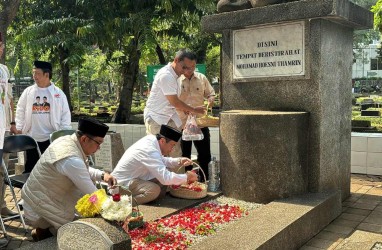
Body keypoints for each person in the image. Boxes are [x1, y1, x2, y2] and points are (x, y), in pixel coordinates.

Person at [21, 117, 118, 242]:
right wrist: (116, 210)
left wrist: (102, 175)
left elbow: (80, 170)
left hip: (40, 198)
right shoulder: (71, 159)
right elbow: (93, 195)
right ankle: (44, 230)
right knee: (84, 234)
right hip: (39, 208)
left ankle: (44, 232)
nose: (98, 148)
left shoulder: (67, 141)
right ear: (84, 139)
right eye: (98, 143)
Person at [111, 125, 198, 205]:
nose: (172, 150)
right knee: (154, 190)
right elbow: (165, 178)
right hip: (120, 185)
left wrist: (178, 161)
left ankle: (148, 200)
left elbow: (159, 160)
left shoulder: (152, 140)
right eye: (172, 145)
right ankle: (122, 203)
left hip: (134, 179)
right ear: (163, 141)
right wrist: (187, 177)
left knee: (164, 179)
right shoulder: (149, 149)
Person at [144, 49, 206, 157]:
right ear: (176, 60)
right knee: (157, 155)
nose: (187, 70)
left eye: (191, 68)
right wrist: (194, 110)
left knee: (175, 153)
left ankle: (177, 174)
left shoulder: (176, 74)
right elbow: (174, 102)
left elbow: (174, 102)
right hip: (156, 119)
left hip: (169, 117)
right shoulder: (166, 75)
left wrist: (185, 109)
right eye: (184, 67)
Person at [14, 60, 71, 173]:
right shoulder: (28, 92)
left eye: (37, 74)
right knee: (31, 168)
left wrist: (63, 133)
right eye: (33, 73)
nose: (34, 76)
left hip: (51, 138)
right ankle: (28, 190)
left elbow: (65, 115)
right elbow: (20, 109)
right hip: (32, 138)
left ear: (47, 75)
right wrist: (19, 127)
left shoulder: (58, 94)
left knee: (50, 170)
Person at [177, 68, 215, 181]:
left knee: (204, 154)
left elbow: (211, 93)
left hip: (200, 122)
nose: (189, 69)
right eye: (186, 67)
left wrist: (211, 99)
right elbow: (172, 101)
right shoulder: (177, 80)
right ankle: (186, 180)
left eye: (192, 66)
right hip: (182, 124)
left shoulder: (201, 78)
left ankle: (204, 179)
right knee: (184, 155)